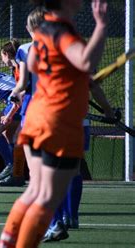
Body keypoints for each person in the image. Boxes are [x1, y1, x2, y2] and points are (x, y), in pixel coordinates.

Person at [0, 0, 108, 247]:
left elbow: (42, 67)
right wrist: (101, 27)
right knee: (47, 195)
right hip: (59, 121)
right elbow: (86, 63)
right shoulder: (61, 31)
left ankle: (7, 241)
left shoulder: (43, 34)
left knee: (37, 191)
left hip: (37, 116)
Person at [43, 82, 115, 242]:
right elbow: (94, 87)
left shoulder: (49, 61)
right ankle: (71, 217)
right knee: (73, 169)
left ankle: (57, 222)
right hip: (81, 124)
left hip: (56, 122)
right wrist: (109, 112)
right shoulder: (83, 60)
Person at [0, 7, 46, 187]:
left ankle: (28, 178)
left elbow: (23, 87)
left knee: (25, 140)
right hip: (54, 104)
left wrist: (12, 104)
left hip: (34, 104)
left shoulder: (25, 52)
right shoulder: (62, 46)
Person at [0, 39, 23, 182]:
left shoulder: (21, 69)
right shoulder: (16, 69)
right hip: (23, 106)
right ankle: (16, 174)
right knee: (11, 135)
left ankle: (14, 169)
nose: (1, 58)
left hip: (31, 107)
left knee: (19, 140)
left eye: (1, 55)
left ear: (6, 54)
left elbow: (22, 95)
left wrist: (10, 114)